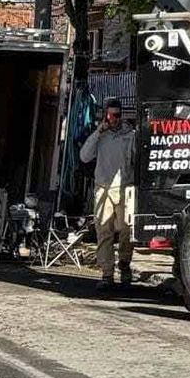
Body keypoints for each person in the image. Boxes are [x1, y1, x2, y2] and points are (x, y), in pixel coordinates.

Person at [79, 98, 138, 291]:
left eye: (117, 115)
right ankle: (106, 273)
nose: (114, 119)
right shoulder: (100, 135)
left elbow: (137, 157)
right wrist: (98, 132)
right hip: (103, 187)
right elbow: (84, 156)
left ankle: (124, 263)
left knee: (127, 230)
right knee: (103, 230)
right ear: (105, 114)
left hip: (125, 186)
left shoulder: (130, 134)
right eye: (111, 115)